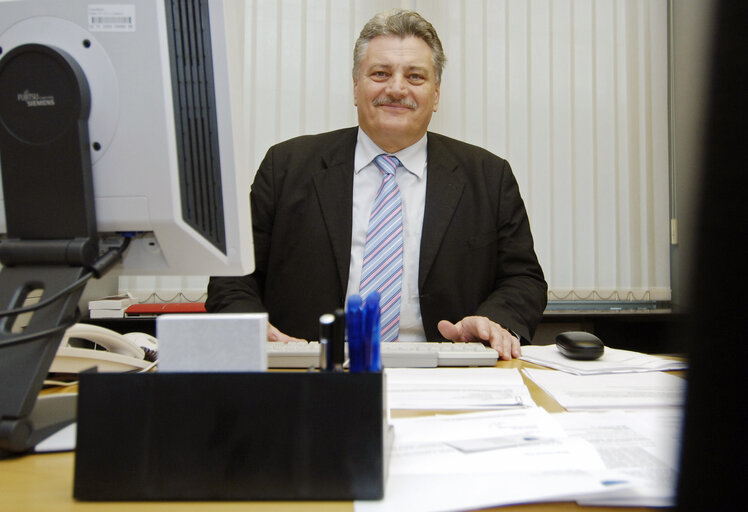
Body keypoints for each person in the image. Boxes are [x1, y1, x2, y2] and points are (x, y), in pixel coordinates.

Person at [206, 8, 547, 360]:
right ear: (356, 87)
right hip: (310, 370)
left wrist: (493, 322)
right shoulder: (286, 167)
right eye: (380, 73)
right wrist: (247, 325)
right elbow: (232, 278)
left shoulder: (488, 178)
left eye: (415, 76)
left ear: (436, 93)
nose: (397, 88)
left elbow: (523, 279)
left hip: (446, 369)